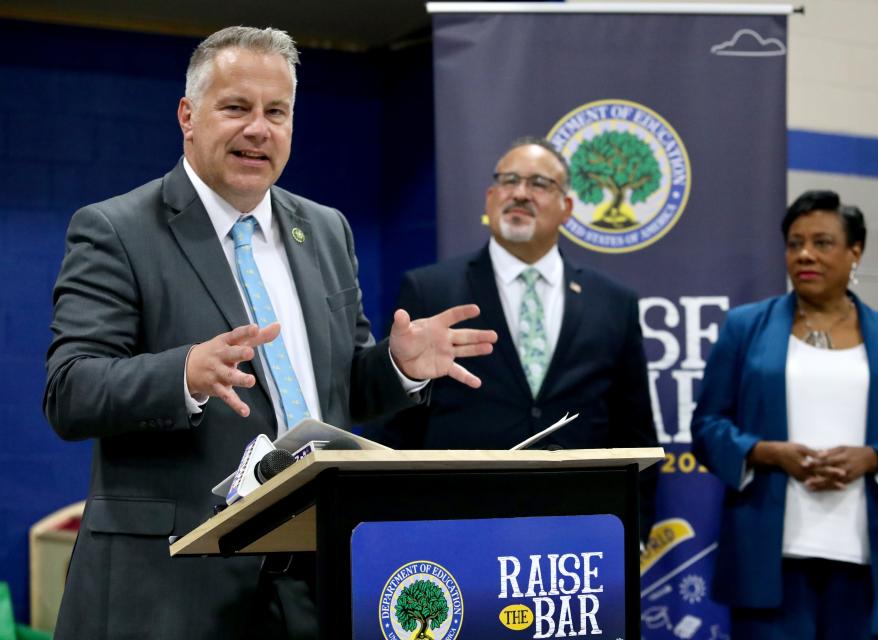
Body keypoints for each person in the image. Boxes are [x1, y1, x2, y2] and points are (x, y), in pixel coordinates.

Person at [43, 26, 496, 640]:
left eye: (276, 112)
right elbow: (70, 392)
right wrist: (182, 375)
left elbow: (337, 394)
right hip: (171, 586)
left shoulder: (326, 229)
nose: (259, 129)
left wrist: (396, 367)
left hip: (313, 573)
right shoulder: (116, 229)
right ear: (188, 116)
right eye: (236, 108)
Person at [369, 137, 660, 542]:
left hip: (583, 536)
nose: (520, 193)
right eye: (509, 181)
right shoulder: (430, 291)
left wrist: (635, 533)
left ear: (568, 208)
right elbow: (394, 426)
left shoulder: (613, 302)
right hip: (458, 528)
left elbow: (636, 434)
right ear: (490, 198)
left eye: (539, 184)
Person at [691, 190, 878, 639]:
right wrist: (766, 452)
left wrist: (874, 458)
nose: (805, 254)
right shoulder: (745, 329)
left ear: (855, 252)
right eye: (794, 243)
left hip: (864, 564)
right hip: (768, 563)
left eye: (822, 243)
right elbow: (707, 427)